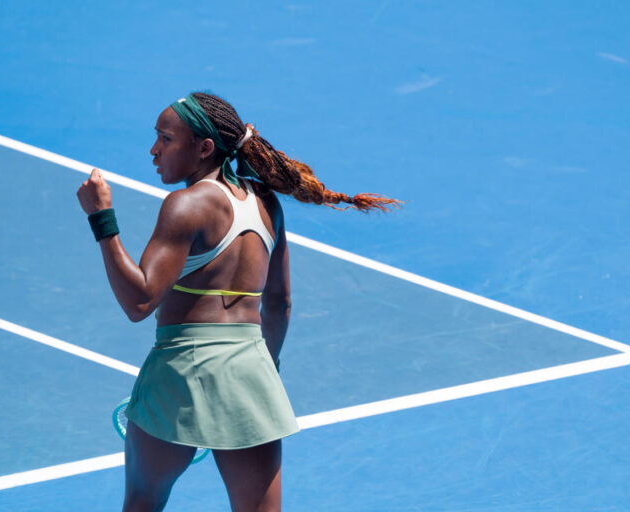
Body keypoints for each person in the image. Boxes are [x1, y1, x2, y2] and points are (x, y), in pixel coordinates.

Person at [76, 92, 401, 512]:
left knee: (142, 501)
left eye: (165, 139)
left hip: (180, 373)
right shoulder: (267, 204)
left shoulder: (186, 205)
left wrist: (101, 217)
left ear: (204, 148)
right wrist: (264, 369)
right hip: (251, 370)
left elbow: (139, 302)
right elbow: (279, 304)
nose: (153, 150)